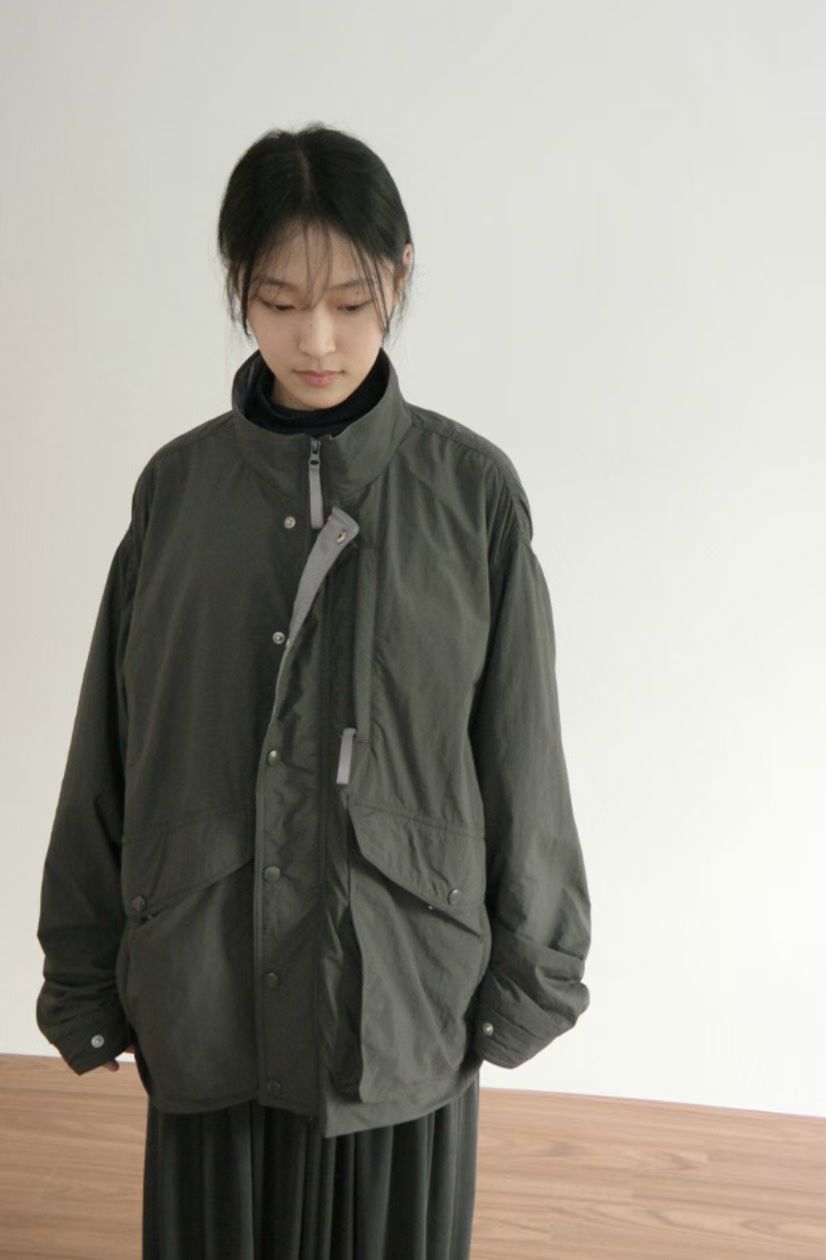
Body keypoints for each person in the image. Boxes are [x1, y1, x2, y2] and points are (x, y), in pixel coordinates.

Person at [35, 122, 591, 1259]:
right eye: (280, 302)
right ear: (238, 288)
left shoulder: (470, 495)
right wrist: (84, 975)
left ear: (401, 275)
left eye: (350, 299)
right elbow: (110, 743)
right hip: (209, 986)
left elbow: (521, 756)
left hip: (398, 997)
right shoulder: (177, 491)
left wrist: (530, 978)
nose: (318, 338)